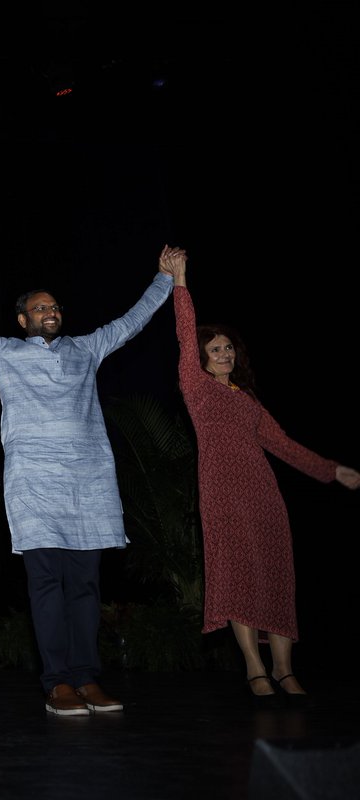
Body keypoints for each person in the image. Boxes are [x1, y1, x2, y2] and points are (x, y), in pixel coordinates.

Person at [0, 248, 177, 716]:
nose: (51, 312)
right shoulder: (4, 353)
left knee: (85, 586)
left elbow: (133, 319)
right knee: (46, 583)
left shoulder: (87, 348)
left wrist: (164, 279)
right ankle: (57, 683)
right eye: (40, 308)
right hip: (35, 487)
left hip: (88, 485)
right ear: (23, 319)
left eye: (55, 307)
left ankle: (87, 678)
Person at [165, 250, 360, 697]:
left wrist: (333, 471)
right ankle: (255, 667)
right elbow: (182, 332)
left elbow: (284, 445)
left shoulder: (248, 400)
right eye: (215, 349)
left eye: (229, 347)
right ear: (202, 358)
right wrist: (181, 280)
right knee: (236, 576)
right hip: (222, 493)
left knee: (274, 574)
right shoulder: (195, 388)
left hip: (264, 494)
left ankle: (285, 669)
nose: (225, 353)